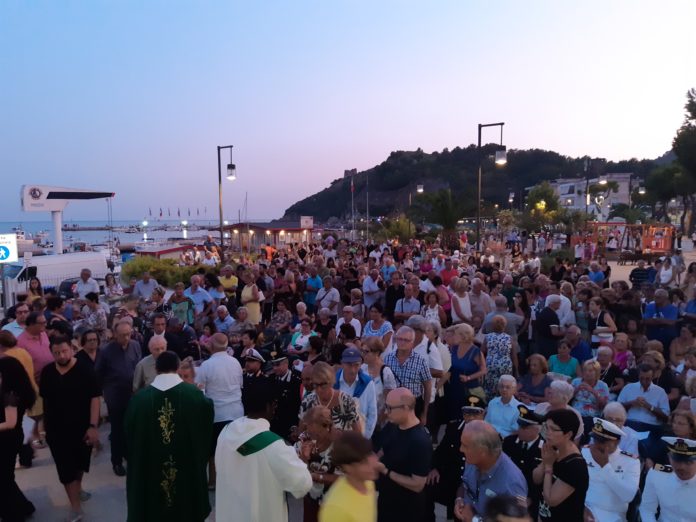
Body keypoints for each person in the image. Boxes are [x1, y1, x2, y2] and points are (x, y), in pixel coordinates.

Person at [125, 351, 214, 522]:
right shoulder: (196, 397)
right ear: (177, 367)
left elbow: (130, 437)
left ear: (157, 369)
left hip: (151, 474)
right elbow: (205, 434)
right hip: (186, 473)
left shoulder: (139, 401)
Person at [215, 377, 312, 522]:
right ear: (270, 406)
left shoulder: (226, 432)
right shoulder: (274, 445)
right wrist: (303, 460)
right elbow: (302, 485)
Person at [40, 335, 101, 522]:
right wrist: (41, 427)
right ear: (52, 353)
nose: (61, 355)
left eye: (64, 351)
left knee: (80, 464)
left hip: (82, 428)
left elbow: (95, 398)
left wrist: (93, 426)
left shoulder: (85, 370)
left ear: (72, 349)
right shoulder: (48, 372)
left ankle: (78, 487)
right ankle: (75, 507)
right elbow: (46, 401)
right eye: (56, 353)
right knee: (65, 469)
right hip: (56, 430)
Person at [374, 388, 432, 522]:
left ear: (406, 408)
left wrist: (386, 471)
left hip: (406, 510)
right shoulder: (393, 426)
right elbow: (384, 448)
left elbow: (418, 484)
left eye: (390, 408)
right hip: (385, 503)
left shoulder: (420, 441)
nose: (386, 412)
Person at [195, 332, 244, 488]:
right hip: (236, 412)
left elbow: (200, 391)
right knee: (233, 449)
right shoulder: (235, 362)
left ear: (211, 345)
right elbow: (240, 385)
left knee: (214, 451)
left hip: (217, 414)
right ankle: (233, 481)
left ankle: (213, 481)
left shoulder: (207, 366)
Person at [455, 420, 528, 521]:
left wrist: (475, 519)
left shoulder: (512, 483)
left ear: (483, 451)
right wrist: (460, 500)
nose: (461, 449)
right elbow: (465, 485)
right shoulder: (472, 461)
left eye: (465, 446)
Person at [95, 321, 142, 476]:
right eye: (122, 335)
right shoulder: (106, 351)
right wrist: (104, 391)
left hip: (132, 394)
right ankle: (117, 461)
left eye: (128, 334)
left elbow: (138, 366)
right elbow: (98, 373)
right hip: (114, 396)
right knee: (117, 429)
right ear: (115, 335)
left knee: (132, 428)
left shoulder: (135, 345)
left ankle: (130, 456)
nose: (126, 338)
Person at [533, 409, 589, 522]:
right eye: (547, 427)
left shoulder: (575, 465)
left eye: (553, 429)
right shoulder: (553, 450)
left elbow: (551, 500)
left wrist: (549, 467)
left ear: (568, 434)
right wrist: (545, 462)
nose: (548, 433)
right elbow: (536, 479)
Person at [581, 418, 640, 522]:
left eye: (602, 441)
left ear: (616, 442)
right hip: (584, 508)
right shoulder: (585, 452)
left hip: (613, 516)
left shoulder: (631, 462)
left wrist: (605, 466)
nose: (597, 444)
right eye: (595, 439)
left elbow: (628, 496)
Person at [0, 356, 37, 522]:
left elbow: (10, 422)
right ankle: (23, 507)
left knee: (4, 479)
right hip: (11, 438)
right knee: (5, 477)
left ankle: (13, 514)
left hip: (7, 440)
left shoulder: (10, 394)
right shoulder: (15, 390)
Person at [318, 430, 378, 522]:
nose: (374, 463)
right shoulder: (336, 508)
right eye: (364, 462)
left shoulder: (368, 482)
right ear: (348, 467)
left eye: (371, 454)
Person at [295, 406, 339, 521]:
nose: (312, 437)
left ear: (327, 427)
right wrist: (303, 459)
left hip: (333, 503)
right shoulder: (304, 439)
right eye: (309, 431)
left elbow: (343, 478)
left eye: (316, 434)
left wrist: (317, 477)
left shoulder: (338, 446)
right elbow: (294, 472)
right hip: (310, 501)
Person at [640, 436, 696, 522]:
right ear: (669, 457)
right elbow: (646, 508)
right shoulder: (657, 474)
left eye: (688, 462)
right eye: (676, 461)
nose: (681, 467)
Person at [502, 405, 544, 519]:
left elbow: (542, 481)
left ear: (537, 429)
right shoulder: (509, 442)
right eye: (520, 426)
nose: (519, 430)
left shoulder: (544, 449)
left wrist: (531, 498)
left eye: (524, 428)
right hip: (507, 495)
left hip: (530, 500)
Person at [383, 326, 433, 423]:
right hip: (393, 405)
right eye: (400, 339)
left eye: (406, 340)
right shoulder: (388, 359)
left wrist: (424, 412)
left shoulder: (420, 361)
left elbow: (427, 387)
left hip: (413, 405)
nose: (402, 342)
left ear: (412, 342)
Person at [301, 362, 360, 432]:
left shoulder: (345, 401)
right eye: (315, 384)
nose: (319, 389)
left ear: (331, 382)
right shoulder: (307, 402)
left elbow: (358, 434)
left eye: (323, 384)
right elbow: (302, 431)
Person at [334, 346, 377, 438]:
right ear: (342, 363)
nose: (353, 370)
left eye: (356, 365)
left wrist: (364, 438)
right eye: (349, 364)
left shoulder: (368, 383)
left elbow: (372, 414)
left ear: (361, 364)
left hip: (358, 436)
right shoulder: (333, 381)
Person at [617, 363, 670, 433]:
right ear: (638, 375)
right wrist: (632, 403)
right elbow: (617, 408)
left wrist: (649, 407)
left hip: (651, 426)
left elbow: (665, 417)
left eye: (647, 379)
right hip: (630, 424)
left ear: (653, 377)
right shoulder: (628, 388)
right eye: (641, 378)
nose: (644, 381)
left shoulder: (660, 392)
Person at [571, 360, 610, 438]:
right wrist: (576, 390)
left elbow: (604, 405)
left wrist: (593, 391)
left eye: (590, 371)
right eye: (585, 370)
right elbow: (567, 398)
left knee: (587, 424)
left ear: (597, 372)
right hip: (575, 413)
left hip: (593, 416)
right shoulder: (576, 382)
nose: (587, 373)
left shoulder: (603, 385)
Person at [269, 355, 303, 440]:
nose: (274, 368)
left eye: (277, 365)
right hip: (274, 424)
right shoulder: (271, 378)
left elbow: (298, 405)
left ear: (286, 364)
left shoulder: (296, 380)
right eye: (273, 365)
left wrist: (295, 425)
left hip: (289, 424)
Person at [482, 315, 516, 397]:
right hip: (505, 365)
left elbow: (482, 352)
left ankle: (490, 403)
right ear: (504, 325)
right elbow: (514, 355)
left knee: (490, 387)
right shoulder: (509, 338)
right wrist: (517, 371)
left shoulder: (488, 337)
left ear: (493, 325)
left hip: (491, 365)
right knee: (504, 385)